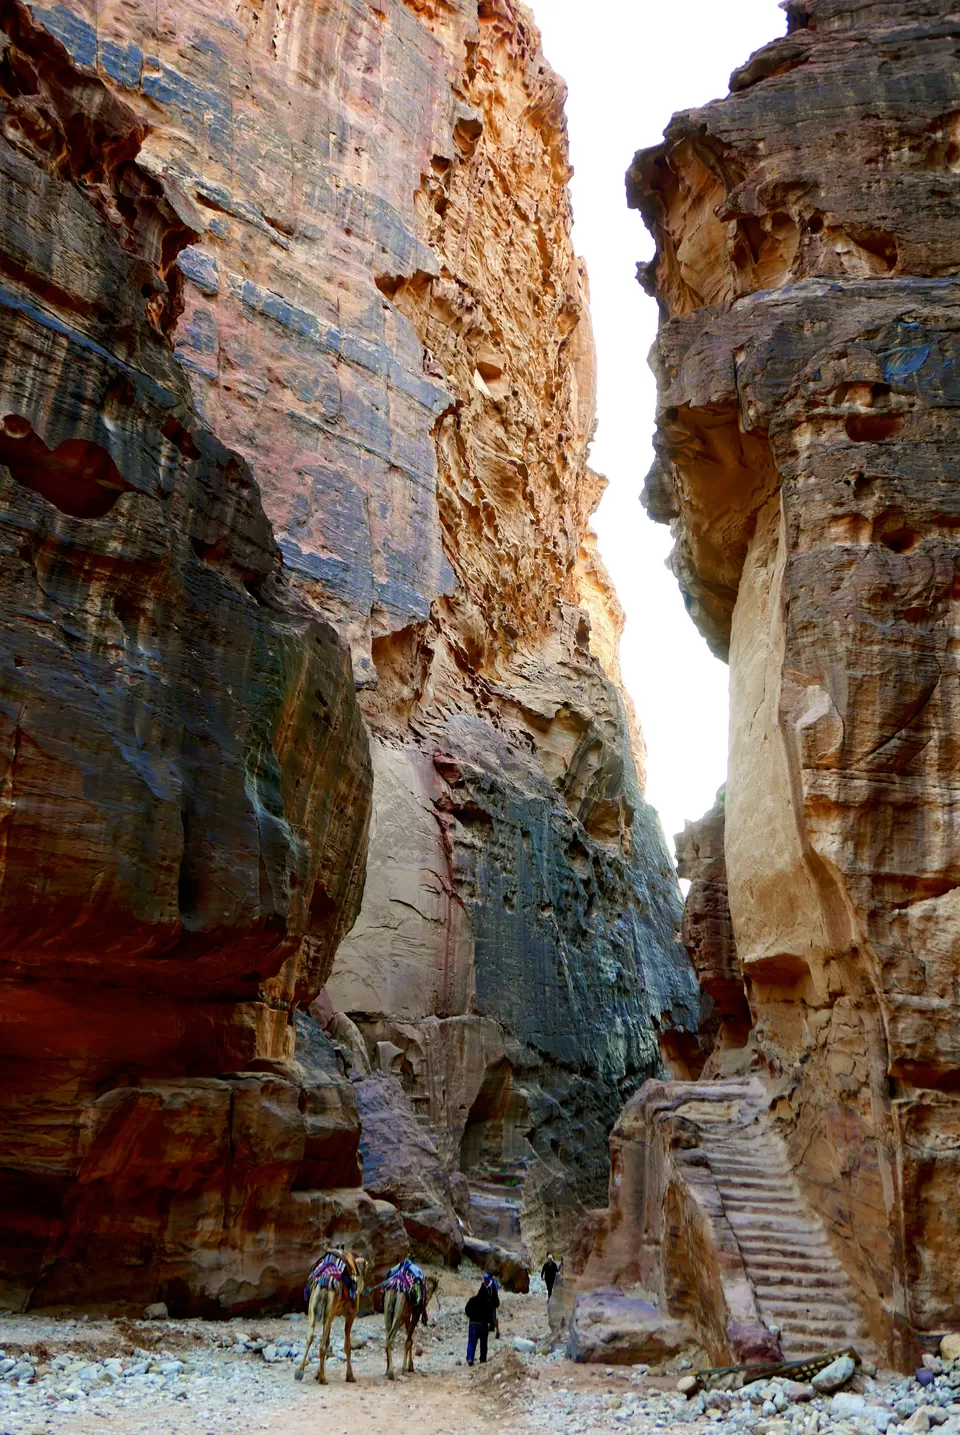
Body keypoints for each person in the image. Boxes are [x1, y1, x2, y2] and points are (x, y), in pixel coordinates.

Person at [464, 1275, 499, 1366]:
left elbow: (467, 1310)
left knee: (471, 1342)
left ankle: (470, 1358)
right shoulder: (488, 1303)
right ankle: (482, 1358)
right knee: (483, 1343)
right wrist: (490, 1325)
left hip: (473, 1324)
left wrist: (471, 1317)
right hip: (483, 1325)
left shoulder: (472, 1300)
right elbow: (491, 1315)